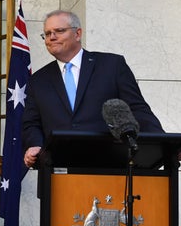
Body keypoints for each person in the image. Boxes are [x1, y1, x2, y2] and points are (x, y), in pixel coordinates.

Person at [22, 10, 166, 168]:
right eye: (47, 34)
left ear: (78, 33)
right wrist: (34, 145)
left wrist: (163, 144)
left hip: (108, 164)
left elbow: (137, 108)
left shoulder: (112, 65)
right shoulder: (38, 80)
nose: (52, 37)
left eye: (59, 31)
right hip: (58, 169)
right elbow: (31, 123)